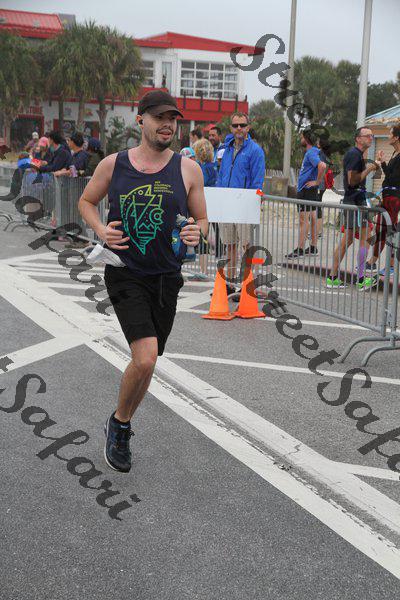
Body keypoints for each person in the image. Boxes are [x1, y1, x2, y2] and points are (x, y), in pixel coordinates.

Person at [78, 90, 207, 473]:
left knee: (148, 363)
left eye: (173, 119)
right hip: (125, 271)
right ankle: (120, 426)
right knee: (146, 356)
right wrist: (101, 229)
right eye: (159, 117)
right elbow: (86, 201)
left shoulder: (188, 169)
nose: (167, 125)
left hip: (166, 277)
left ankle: (120, 421)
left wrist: (197, 232)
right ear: (141, 120)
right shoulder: (114, 164)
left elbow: (202, 220)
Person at [217, 112, 265, 293]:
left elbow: (257, 179)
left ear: (248, 127)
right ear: (231, 127)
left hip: (244, 204)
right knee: (229, 245)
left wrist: (253, 202)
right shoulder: (226, 148)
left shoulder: (255, 151)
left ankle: (246, 286)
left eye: (242, 125)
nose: (239, 128)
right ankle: (229, 284)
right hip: (226, 203)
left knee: (246, 246)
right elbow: (222, 174)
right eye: (235, 125)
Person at [326, 127, 379, 290]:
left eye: (372, 136)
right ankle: (361, 279)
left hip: (352, 201)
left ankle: (332, 277)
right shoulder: (354, 154)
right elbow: (352, 181)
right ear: (358, 138)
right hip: (356, 201)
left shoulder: (356, 154)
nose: (371, 138)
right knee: (365, 239)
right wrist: (371, 168)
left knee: (348, 239)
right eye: (367, 136)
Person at [285, 130, 326, 259]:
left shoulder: (311, 152)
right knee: (313, 218)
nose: (300, 139)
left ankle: (300, 249)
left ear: (306, 139)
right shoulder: (314, 152)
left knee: (303, 220)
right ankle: (313, 247)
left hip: (306, 190)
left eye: (302, 137)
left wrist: (317, 181)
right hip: (309, 190)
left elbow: (322, 166)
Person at [366, 125, 400, 276]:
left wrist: (381, 164)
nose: (388, 136)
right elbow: (390, 175)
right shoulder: (395, 153)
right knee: (384, 229)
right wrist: (383, 162)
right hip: (388, 196)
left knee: (385, 229)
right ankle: (377, 262)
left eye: (390, 134)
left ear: (397, 137)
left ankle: (381, 264)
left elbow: (394, 179)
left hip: (394, 198)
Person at [188, 138, 216, 281]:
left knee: (201, 239)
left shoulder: (202, 168)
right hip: (211, 205)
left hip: (202, 205)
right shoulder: (213, 167)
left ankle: (203, 271)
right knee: (203, 239)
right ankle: (203, 271)